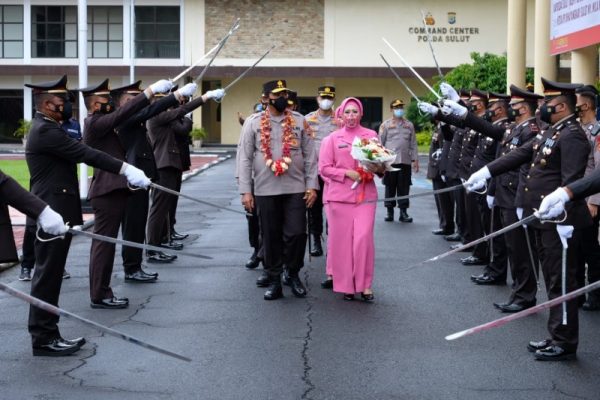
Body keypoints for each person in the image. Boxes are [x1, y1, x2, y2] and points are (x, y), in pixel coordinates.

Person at [24, 75, 152, 356]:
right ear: (47, 105)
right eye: (63, 102)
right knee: (47, 276)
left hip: (57, 208)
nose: (68, 106)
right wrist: (125, 169)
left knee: (52, 275)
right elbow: (84, 152)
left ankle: (48, 332)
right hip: (50, 210)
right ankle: (44, 337)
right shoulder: (45, 131)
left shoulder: (50, 127)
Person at [465, 77, 590, 361]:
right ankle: (556, 333)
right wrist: (487, 173)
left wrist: (566, 220)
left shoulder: (572, 135)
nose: (542, 106)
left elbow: (572, 181)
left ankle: (565, 341)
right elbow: (521, 154)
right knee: (553, 279)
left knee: (563, 281)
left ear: (560, 106)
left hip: (560, 223)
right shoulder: (552, 132)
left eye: (547, 102)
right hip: (543, 219)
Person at [441, 84, 542, 311]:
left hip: (517, 195)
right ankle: (519, 293)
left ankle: (525, 296)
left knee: (521, 251)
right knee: (512, 247)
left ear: (524, 108)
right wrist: (464, 113)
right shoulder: (515, 129)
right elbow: (490, 131)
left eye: (514, 105)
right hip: (505, 194)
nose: (509, 108)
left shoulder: (530, 131)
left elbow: (520, 166)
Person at [82, 78, 179, 304]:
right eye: (105, 100)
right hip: (106, 191)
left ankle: (102, 292)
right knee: (103, 246)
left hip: (115, 189)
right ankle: (99, 294)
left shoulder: (102, 121)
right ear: (95, 105)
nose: (110, 103)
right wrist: (150, 92)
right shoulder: (95, 123)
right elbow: (123, 114)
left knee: (108, 245)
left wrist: (174, 96)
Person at [238, 79, 318, 300]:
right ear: (266, 98)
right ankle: (274, 280)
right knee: (271, 237)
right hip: (265, 189)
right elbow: (244, 158)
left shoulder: (300, 122)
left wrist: (312, 186)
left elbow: (310, 157)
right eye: (277, 94)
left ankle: (292, 273)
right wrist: (246, 190)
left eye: (285, 94)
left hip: (295, 187)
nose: (283, 98)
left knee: (297, 233)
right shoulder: (253, 123)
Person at [319, 97, 385, 301]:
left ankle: (365, 285)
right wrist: (347, 173)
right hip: (339, 198)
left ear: (361, 114)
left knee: (363, 240)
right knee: (343, 244)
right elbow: (324, 168)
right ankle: (346, 285)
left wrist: (377, 168)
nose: (351, 116)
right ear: (341, 115)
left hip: (365, 197)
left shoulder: (371, 136)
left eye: (354, 112)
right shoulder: (331, 139)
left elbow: (381, 167)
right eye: (347, 112)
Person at [147, 86, 225, 254]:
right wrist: (206, 96)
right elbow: (183, 110)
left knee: (164, 208)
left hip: (169, 164)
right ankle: (153, 249)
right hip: (163, 165)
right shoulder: (157, 115)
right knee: (159, 210)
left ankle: (160, 242)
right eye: (163, 101)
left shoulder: (161, 116)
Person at [19, 109, 80, 282]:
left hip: (64, 183)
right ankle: (26, 265)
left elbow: (78, 145)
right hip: (45, 183)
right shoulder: (43, 127)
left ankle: (56, 265)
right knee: (33, 227)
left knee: (60, 225)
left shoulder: (72, 125)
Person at [305, 86, 339, 285]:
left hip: (334, 172)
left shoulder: (340, 120)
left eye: (329, 98)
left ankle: (332, 239)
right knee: (315, 207)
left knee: (333, 208)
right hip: (314, 170)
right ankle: (316, 240)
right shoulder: (308, 119)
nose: (326, 100)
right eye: (323, 97)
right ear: (317, 98)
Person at [574, 84, 600, 311]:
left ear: (587, 104)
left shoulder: (597, 132)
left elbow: (597, 169)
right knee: (576, 248)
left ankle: (594, 294)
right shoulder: (576, 129)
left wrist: (593, 200)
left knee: (590, 248)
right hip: (574, 198)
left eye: (577, 102)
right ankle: (578, 293)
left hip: (588, 199)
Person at [379, 99, 418, 222]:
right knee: (390, 187)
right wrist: (381, 162)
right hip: (390, 162)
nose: (399, 109)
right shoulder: (385, 125)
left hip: (405, 161)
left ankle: (403, 212)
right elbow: (380, 143)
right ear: (391, 109)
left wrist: (415, 160)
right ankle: (389, 212)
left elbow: (413, 144)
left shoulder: (409, 125)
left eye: (401, 107)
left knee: (404, 187)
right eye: (396, 107)